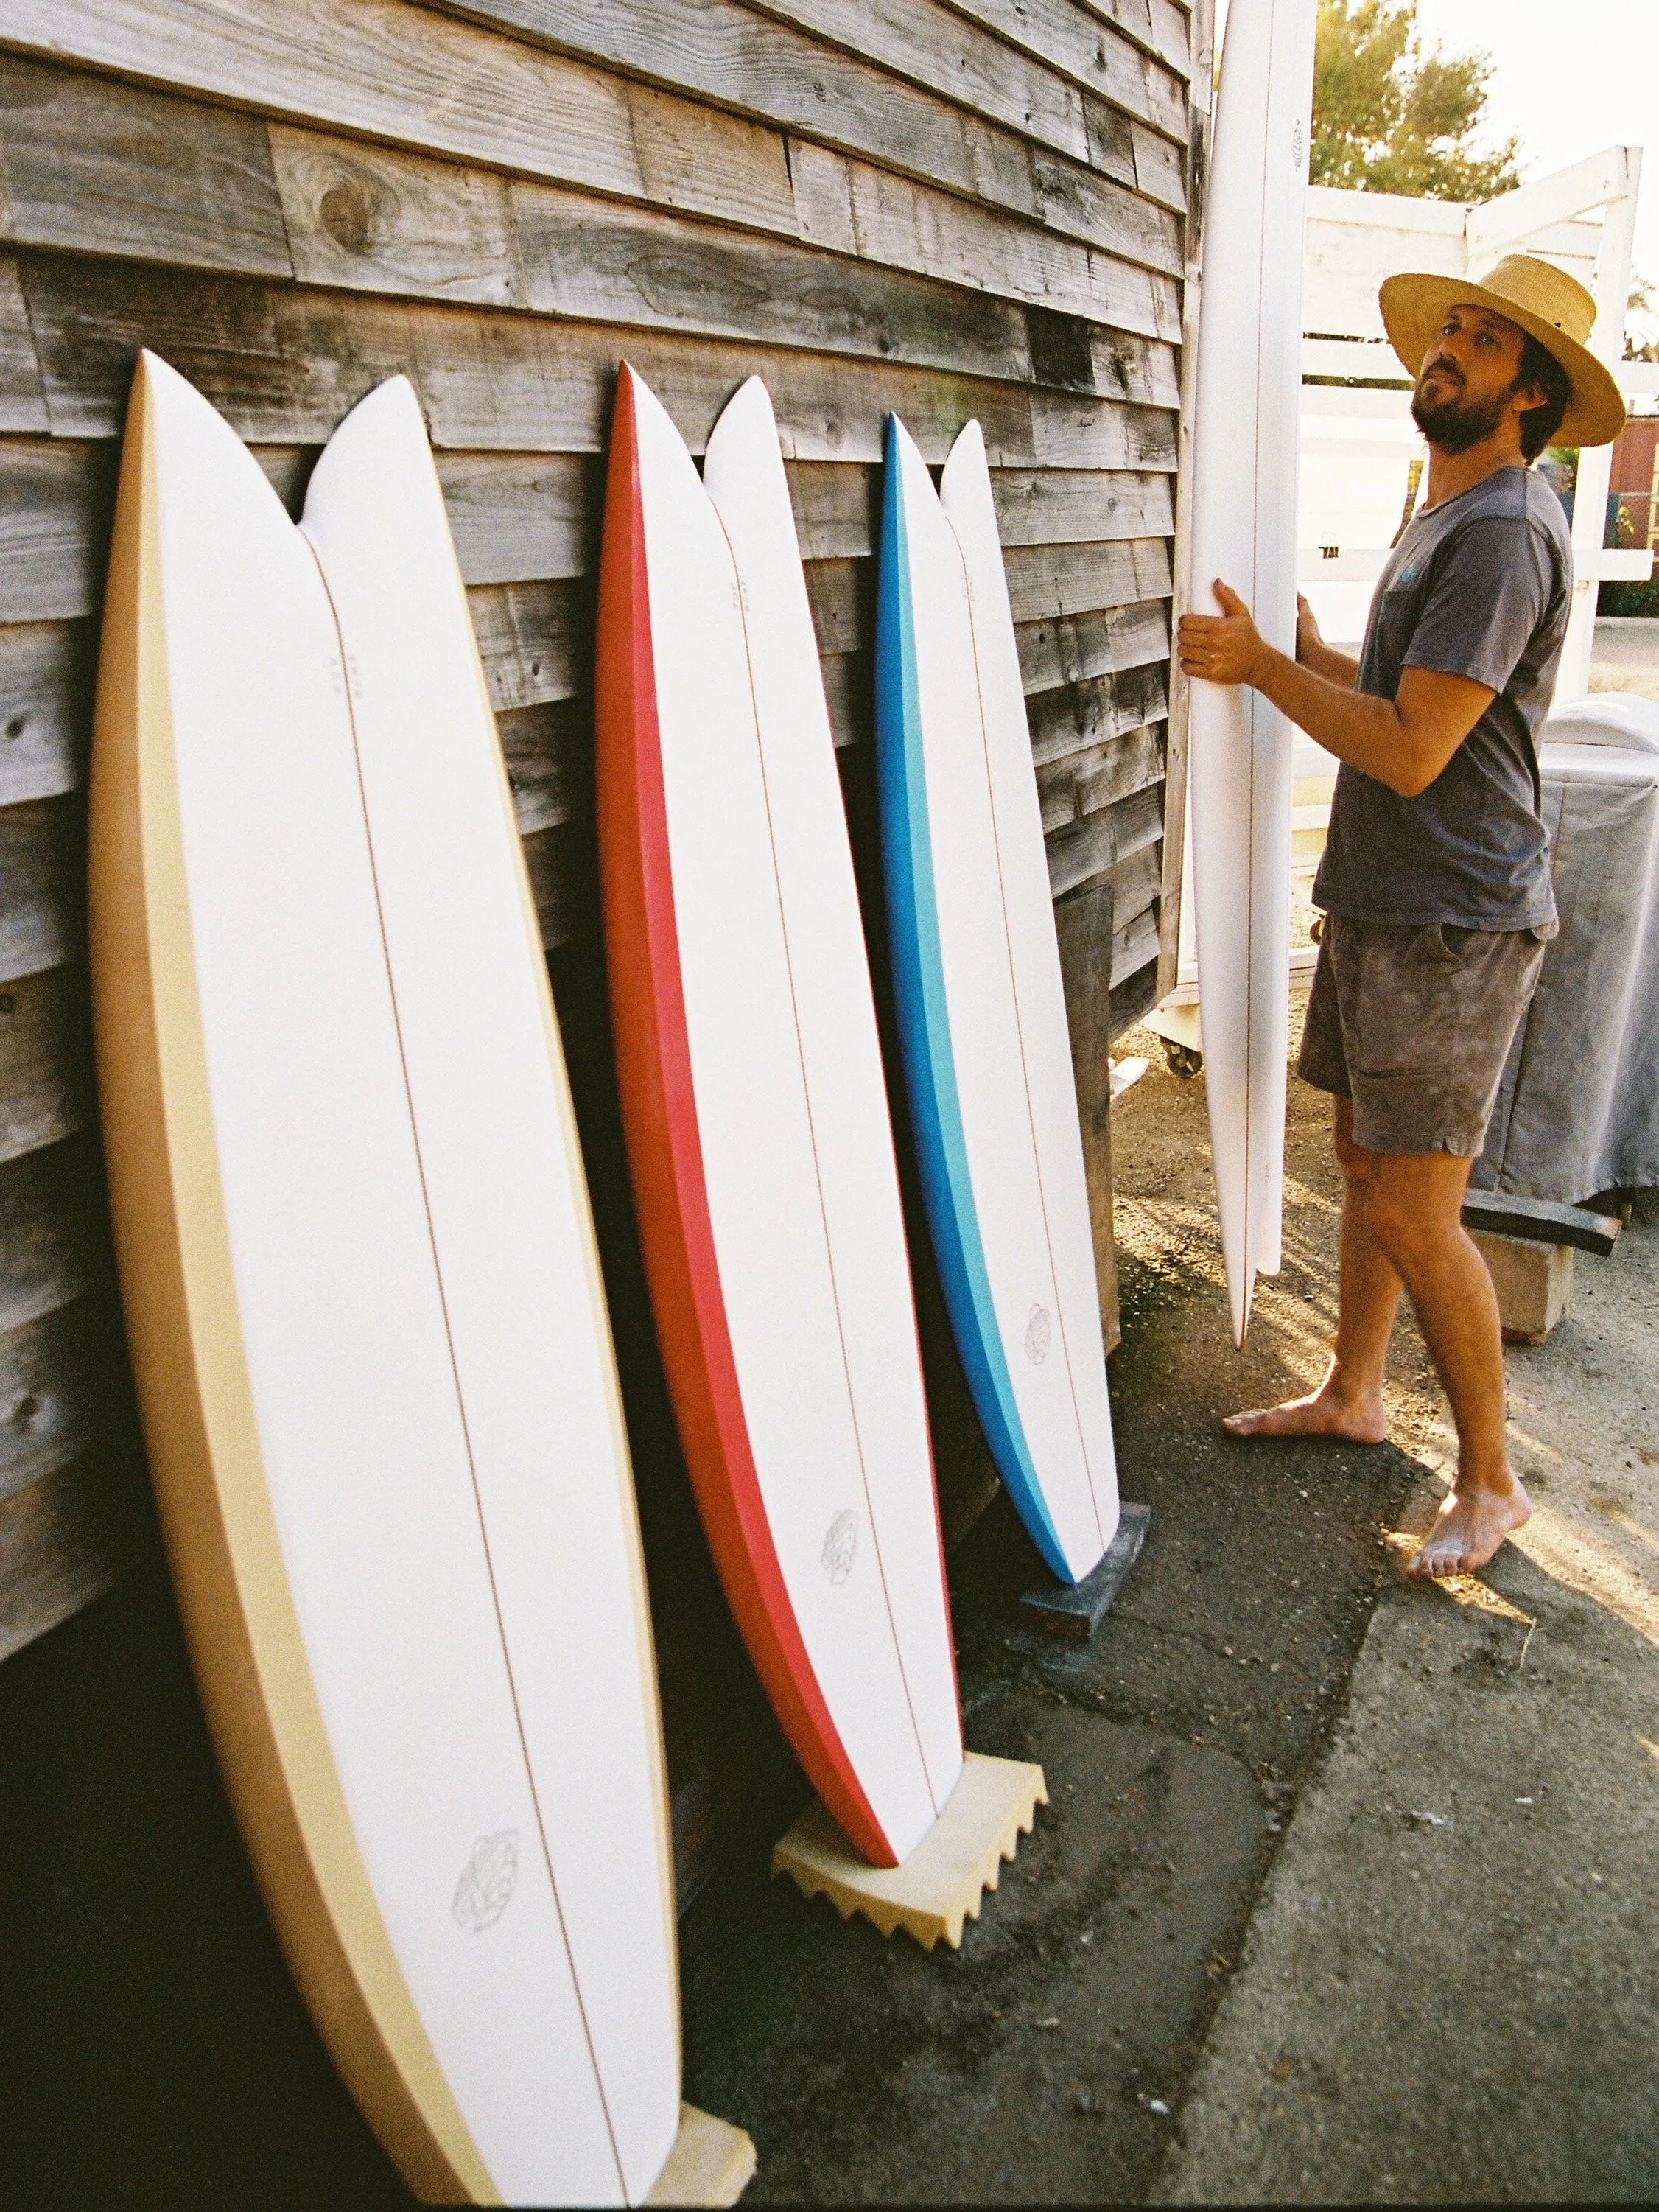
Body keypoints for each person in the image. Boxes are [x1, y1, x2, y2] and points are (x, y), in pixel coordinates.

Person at [1176, 253, 1626, 1577]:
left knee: (1424, 1207)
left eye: (1483, 342)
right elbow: (1414, 697)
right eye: (1450, 328)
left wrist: (1262, 672)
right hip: (1393, 899)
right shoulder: (1446, 511)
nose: (1450, 347)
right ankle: (1356, 1393)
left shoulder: (1501, 530)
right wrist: (1311, 656)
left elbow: (1419, 751)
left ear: (1530, 393)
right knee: (1368, 1159)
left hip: (1452, 918)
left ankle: (1493, 1483)